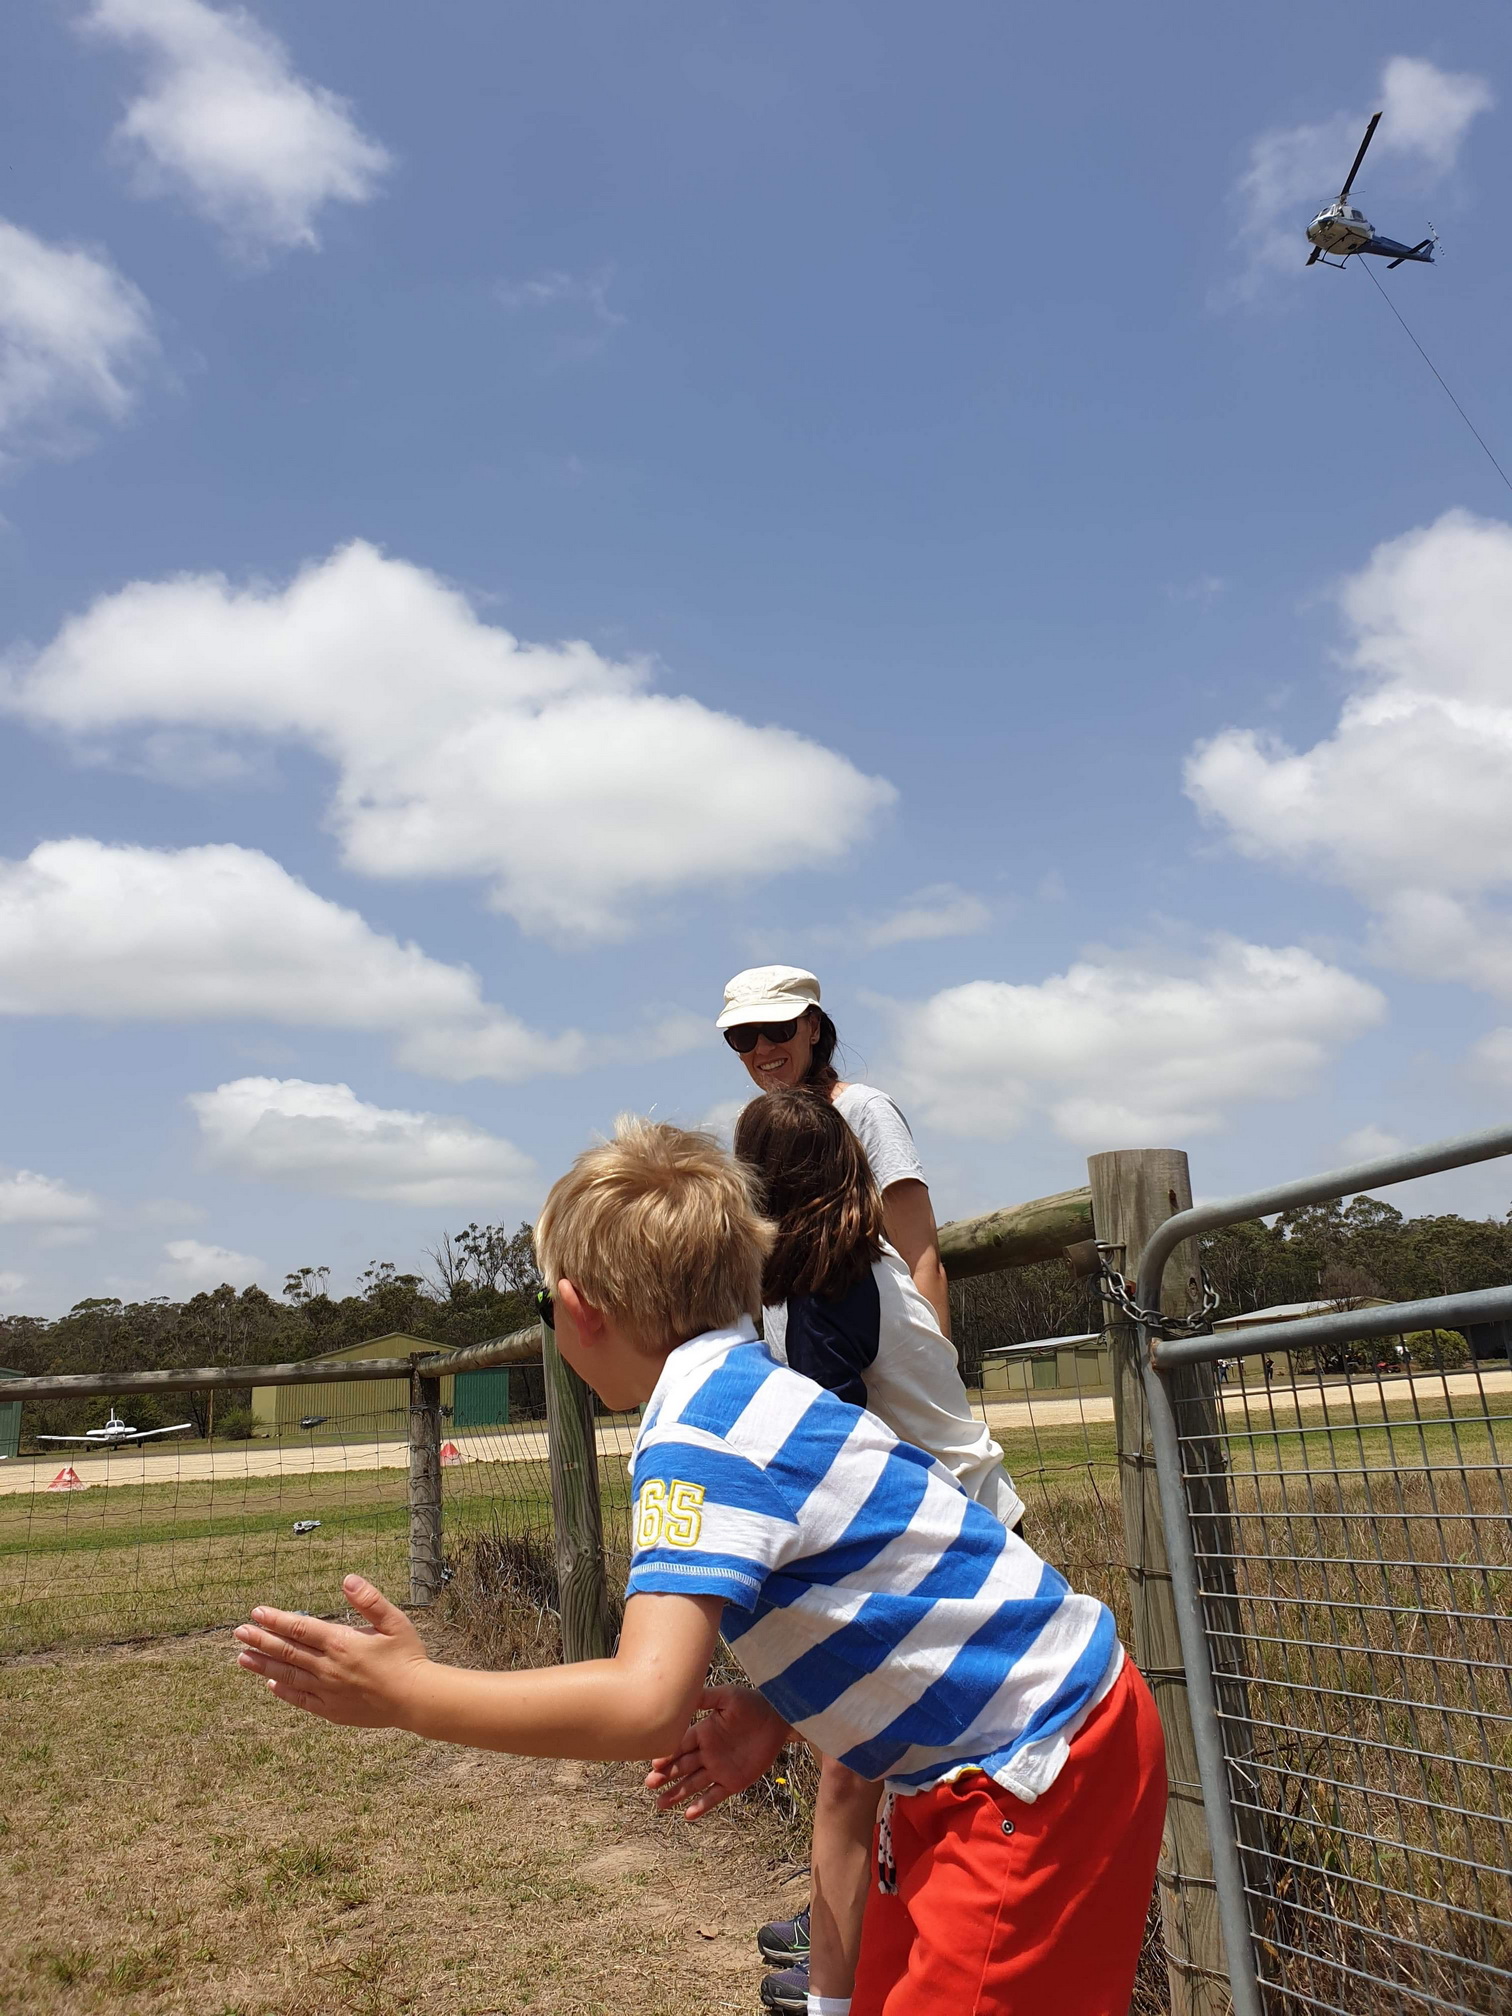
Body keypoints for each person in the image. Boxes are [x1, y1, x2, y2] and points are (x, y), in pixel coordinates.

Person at [233, 1121, 1166, 2016]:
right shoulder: (746, 1387)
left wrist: (412, 1693)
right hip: (991, 1749)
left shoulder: (701, 1437)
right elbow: (888, 1602)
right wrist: (778, 1711)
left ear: (575, 1310)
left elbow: (645, 1703)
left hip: (1029, 1768)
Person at [734, 1089, 1024, 2012]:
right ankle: (857, 1955)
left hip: (949, 1552)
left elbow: (829, 1453)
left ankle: (841, 1985)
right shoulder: (859, 1262)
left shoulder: (825, 1288)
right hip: (974, 1526)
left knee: (853, 1775)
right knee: (871, 1777)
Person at [718, 965, 951, 1336]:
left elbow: (922, 1260)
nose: (762, 1048)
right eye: (743, 1037)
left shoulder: (865, 1111)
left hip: (879, 1373)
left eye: (778, 1029)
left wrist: (938, 1378)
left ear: (813, 1028)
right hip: (800, 1375)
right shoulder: (752, 1132)